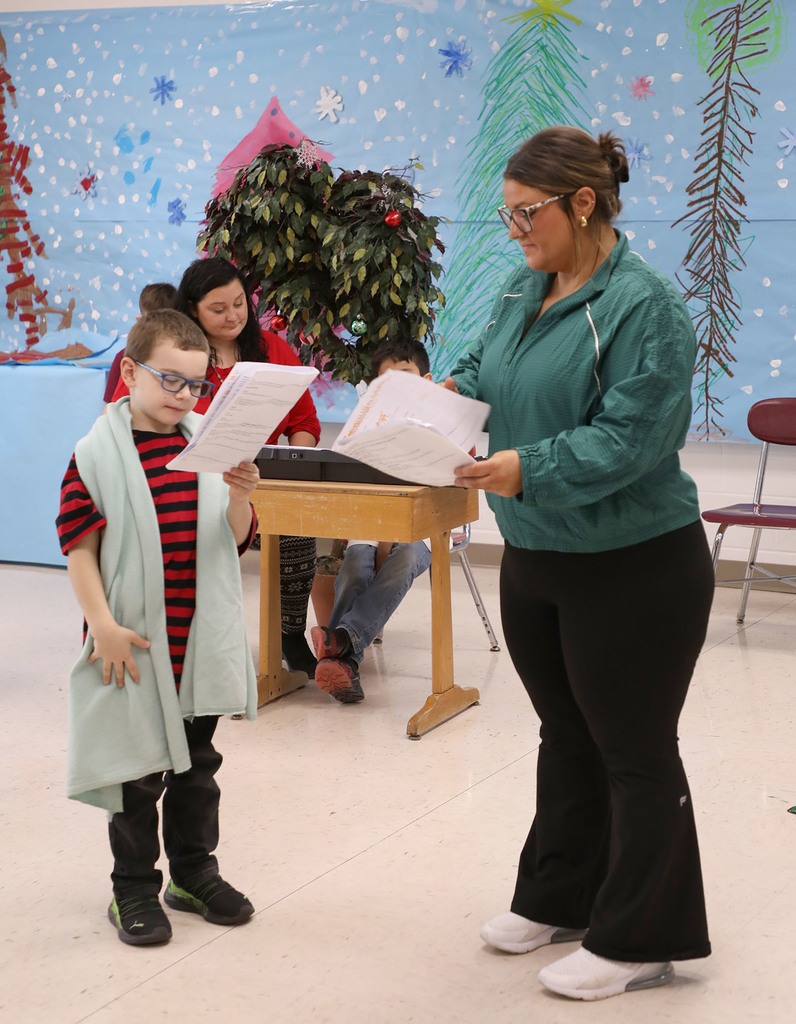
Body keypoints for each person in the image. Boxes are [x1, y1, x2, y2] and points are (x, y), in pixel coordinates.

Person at [446, 126, 714, 1001]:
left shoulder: (646, 308)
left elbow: (632, 437)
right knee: (565, 735)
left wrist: (527, 467)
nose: (516, 231)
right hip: (538, 553)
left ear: (583, 203)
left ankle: (645, 937)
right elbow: (485, 365)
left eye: (528, 214)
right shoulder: (527, 287)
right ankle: (561, 895)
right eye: (507, 215)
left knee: (633, 750)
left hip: (633, 564)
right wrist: (442, 393)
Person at [57, 308, 259, 946]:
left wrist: (239, 494)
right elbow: (79, 548)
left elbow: (232, 541)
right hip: (135, 644)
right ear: (128, 372)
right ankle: (134, 889)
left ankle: (193, 873)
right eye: (168, 379)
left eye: (195, 385)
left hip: (197, 641)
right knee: (135, 773)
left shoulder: (205, 445)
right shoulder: (97, 453)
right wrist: (102, 627)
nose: (182, 396)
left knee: (199, 768)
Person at [112, 257, 322, 676]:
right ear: (193, 310)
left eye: (240, 303)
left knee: (298, 529)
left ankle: (291, 635)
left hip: (257, 481)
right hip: (188, 485)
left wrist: (292, 461)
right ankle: (196, 647)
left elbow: (305, 423)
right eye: (219, 308)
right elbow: (122, 411)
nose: (234, 316)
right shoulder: (175, 357)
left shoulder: (273, 351)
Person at [310, 336, 434, 703]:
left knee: (406, 556)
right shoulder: (367, 426)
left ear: (425, 382)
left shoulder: (442, 425)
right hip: (369, 528)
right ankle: (344, 666)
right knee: (354, 568)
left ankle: (342, 642)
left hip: (425, 532)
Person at [103, 282, 177, 403]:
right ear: (140, 321)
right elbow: (111, 408)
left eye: (168, 325)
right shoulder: (124, 358)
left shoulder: (182, 359)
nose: (161, 332)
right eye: (155, 323)